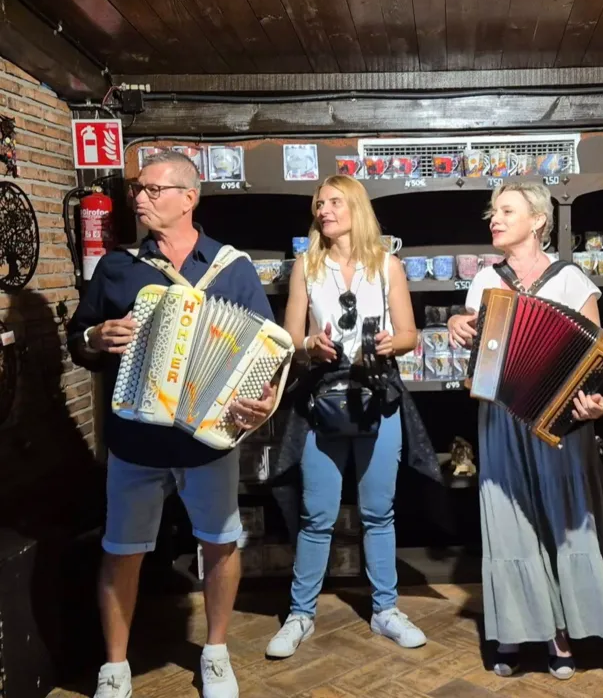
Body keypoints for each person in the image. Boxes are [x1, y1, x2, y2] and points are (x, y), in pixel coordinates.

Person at [68, 150, 277, 698]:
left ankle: (215, 652)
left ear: (189, 198)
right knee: (122, 549)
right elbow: (79, 338)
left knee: (221, 544)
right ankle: (115, 666)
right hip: (136, 440)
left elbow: (266, 351)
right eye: (138, 189)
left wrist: (264, 401)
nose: (139, 198)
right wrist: (95, 337)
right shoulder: (118, 266)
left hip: (207, 442)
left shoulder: (232, 267)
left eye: (152, 189)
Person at [447, 182, 603, 680]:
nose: (495, 218)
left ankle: (562, 631)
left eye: (507, 210)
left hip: (559, 422)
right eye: (493, 211)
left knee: (562, 518)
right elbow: (480, 350)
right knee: (508, 521)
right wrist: (459, 324)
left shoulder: (571, 280)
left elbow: (600, 360)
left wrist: (596, 403)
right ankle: (515, 628)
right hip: (502, 418)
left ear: (538, 221)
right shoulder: (486, 280)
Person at [265, 175, 428, 658]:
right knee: (317, 515)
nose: (324, 211)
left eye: (335, 202)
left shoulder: (388, 265)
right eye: (319, 204)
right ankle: (300, 614)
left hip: (378, 395)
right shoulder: (306, 267)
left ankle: (385, 610)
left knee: (379, 511)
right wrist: (310, 344)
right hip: (324, 399)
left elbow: (411, 334)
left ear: (357, 208)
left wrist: (392, 343)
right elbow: (289, 338)